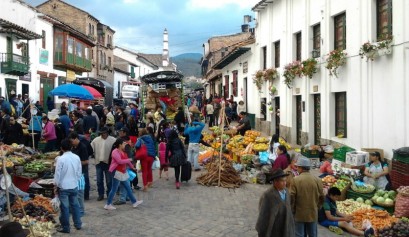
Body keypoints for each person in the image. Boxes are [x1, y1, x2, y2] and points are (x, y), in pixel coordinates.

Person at [104, 138, 143, 210]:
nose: (125, 145)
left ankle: (134, 202)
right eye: (123, 144)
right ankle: (108, 204)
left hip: (122, 172)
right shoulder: (115, 152)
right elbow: (120, 161)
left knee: (128, 187)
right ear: (120, 145)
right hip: (116, 172)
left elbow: (127, 161)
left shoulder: (122, 151)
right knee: (114, 189)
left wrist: (132, 167)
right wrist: (130, 160)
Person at [290, 157, 324, 237]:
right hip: (313, 213)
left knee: (299, 234)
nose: (297, 169)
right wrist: (317, 207)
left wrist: (292, 210)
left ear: (301, 168)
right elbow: (322, 197)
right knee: (313, 234)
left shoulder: (296, 180)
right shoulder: (317, 180)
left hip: (299, 213)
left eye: (297, 167)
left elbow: (292, 197)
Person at [53, 139, 82, 233]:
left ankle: (66, 227)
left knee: (65, 208)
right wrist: (75, 180)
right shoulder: (76, 157)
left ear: (61, 148)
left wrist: (56, 185)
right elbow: (79, 172)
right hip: (74, 185)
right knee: (75, 206)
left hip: (64, 187)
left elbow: (57, 174)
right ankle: (78, 224)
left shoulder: (60, 159)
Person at [256, 169, 295, 237]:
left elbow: (289, 207)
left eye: (285, 181)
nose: (285, 183)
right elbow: (263, 214)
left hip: (286, 225)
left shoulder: (286, 191)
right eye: (282, 181)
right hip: (275, 228)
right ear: (275, 182)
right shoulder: (268, 195)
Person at [91, 127, 116, 201]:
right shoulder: (96, 140)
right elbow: (91, 148)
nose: (102, 135)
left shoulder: (113, 140)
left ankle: (109, 194)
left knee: (109, 181)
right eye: (101, 133)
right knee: (99, 180)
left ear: (107, 133)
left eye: (104, 133)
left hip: (109, 163)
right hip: (98, 162)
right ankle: (100, 194)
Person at [69, 132, 92, 201]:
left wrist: (75, 163)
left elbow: (86, 161)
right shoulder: (73, 147)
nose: (71, 143)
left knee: (85, 181)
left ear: (76, 139)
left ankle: (86, 196)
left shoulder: (83, 147)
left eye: (72, 141)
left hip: (83, 169)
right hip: (76, 169)